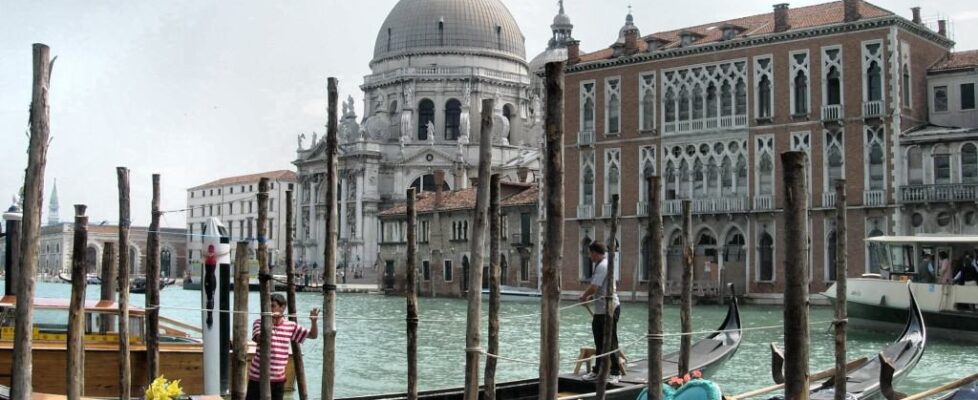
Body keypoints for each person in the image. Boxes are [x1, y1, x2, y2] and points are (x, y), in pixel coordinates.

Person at [246, 293, 320, 400]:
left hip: (278, 380)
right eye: (268, 306)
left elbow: (313, 335)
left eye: (273, 306)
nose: (270, 309)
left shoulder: (290, 326)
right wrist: (270, 322)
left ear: (282, 308)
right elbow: (261, 340)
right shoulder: (259, 322)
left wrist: (314, 322)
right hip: (257, 378)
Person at [577, 242, 622, 384]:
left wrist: (584, 296)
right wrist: (589, 297)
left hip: (610, 308)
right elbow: (599, 289)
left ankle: (615, 372)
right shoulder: (601, 265)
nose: (589, 256)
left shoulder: (603, 265)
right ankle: (597, 370)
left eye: (590, 253)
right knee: (599, 341)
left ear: (595, 253)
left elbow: (594, 286)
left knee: (610, 341)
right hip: (601, 309)